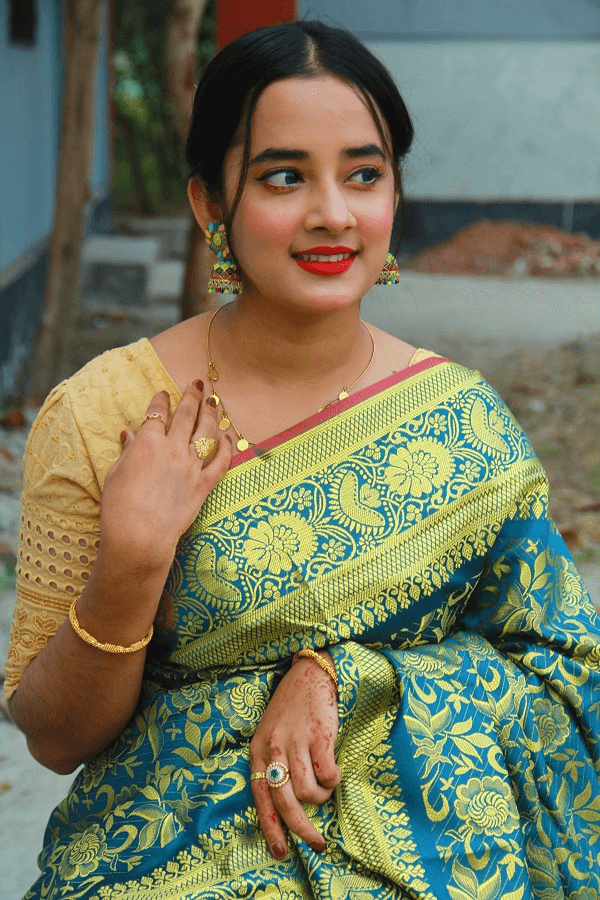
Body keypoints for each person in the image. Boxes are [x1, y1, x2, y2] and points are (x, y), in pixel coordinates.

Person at [5, 19, 600, 899]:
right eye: (284, 176)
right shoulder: (105, 416)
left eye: (364, 174)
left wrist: (347, 678)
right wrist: (131, 564)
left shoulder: (465, 424)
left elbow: (564, 675)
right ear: (210, 203)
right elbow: (55, 739)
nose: (333, 213)